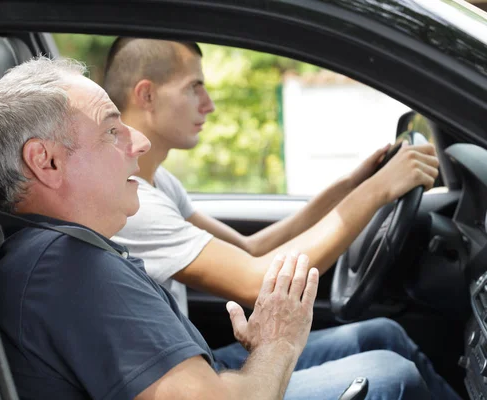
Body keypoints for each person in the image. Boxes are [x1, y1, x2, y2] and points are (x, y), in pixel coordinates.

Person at [0, 56, 433, 399]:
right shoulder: (70, 269)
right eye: (112, 131)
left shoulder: (55, 255)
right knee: (395, 377)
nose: (139, 142)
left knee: (384, 345)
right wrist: (278, 344)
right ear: (47, 161)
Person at [104, 38, 461, 398]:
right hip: (191, 384)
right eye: (194, 87)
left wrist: (352, 185)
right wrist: (377, 192)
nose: (209, 104)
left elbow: (250, 246)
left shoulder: (160, 182)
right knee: (394, 375)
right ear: (146, 95)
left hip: (200, 363)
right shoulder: (134, 204)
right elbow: (257, 284)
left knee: (384, 333)